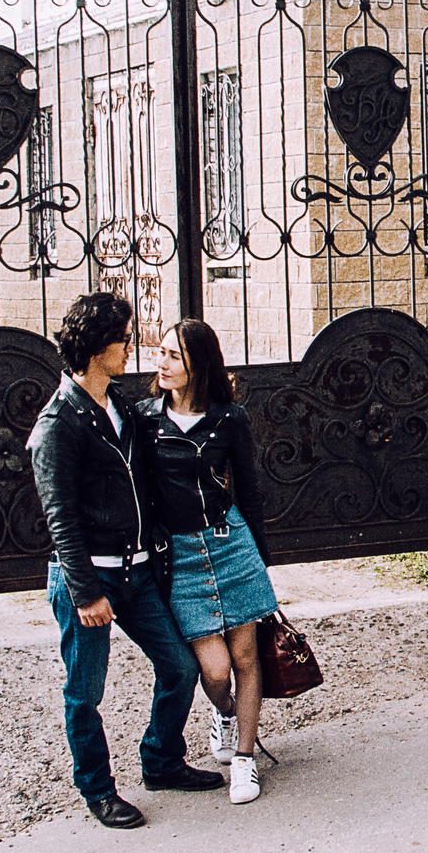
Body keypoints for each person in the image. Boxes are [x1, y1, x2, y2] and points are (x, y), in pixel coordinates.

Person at [28, 292, 223, 828]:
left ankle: (161, 760)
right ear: (96, 348)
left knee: (180, 666)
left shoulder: (123, 409)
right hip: (88, 580)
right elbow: (60, 518)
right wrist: (86, 592)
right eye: (124, 339)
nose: (132, 348)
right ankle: (97, 790)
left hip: (137, 571)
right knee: (85, 690)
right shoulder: (56, 425)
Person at [129, 318, 280, 807]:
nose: (162, 362)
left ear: (199, 364)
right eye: (160, 353)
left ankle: (243, 759)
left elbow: (249, 491)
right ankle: (227, 713)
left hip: (231, 545)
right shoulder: (144, 419)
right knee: (213, 672)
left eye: (174, 355)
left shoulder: (228, 419)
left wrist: (259, 556)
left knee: (246, 657)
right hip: (183, 556)